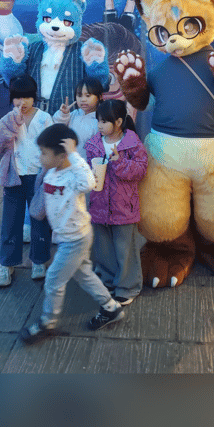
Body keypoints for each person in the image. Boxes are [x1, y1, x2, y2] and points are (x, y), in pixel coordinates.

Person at [20, 124, 125, 344]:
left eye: (44, 153)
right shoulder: (51, 173)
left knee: (53, 280)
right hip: (66, 237)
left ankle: (47, 322)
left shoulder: (74, 175)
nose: (40, 157)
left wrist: (74, 155)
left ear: (61, 156)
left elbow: (89, 183)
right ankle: (111, 307)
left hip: (75, 239)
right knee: (84, 275)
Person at [0, 74, 68, 287]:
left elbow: (54, 146)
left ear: (34, 97)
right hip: (14, 178)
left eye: (26, 97)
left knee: (40, 221)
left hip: (39, 178)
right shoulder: (8, 118)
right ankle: (6, 265)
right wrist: (10, 125)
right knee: (10, 223)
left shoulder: (44, 118)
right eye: (17, 97)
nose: (21, 102)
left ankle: (39, 261)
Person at [85, 99, 147, 307]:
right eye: (98, 121)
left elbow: (140, 170)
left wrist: (119, 161)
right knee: (103, 248)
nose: (100, 125)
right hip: (98, 205)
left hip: (124, 207)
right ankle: (108, 280)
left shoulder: (132, 143)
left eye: (104, 121)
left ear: (119, 122)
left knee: (125, 249)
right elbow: (88, 169)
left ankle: (128, 286)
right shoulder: (93, 143)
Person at [60, 77, 104, 160]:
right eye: (79, 96)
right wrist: (64, 114)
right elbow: (59, 127)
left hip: (88, 164)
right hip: (68, 162)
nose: (83, 100)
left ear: (100, 96)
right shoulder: (73, 114)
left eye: (88, 96)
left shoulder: (101, 120)